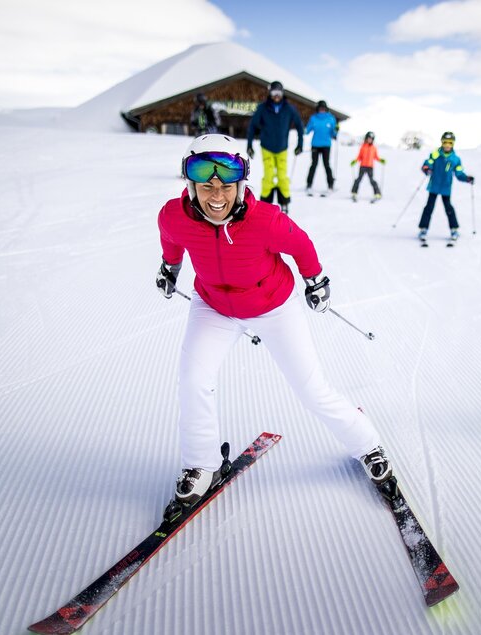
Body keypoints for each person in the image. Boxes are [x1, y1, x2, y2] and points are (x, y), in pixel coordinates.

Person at [156, 134, 393, 517]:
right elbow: (171, 240)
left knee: (312, 389)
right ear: (190, 185)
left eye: (226, 186)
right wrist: (171, 268)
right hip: (214, 306)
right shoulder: (173, 214)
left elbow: (301, 244)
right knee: (193, 379)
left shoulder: (264, 220)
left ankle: (368, 445)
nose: (217, 196)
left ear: (241, 184)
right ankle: (202, 465)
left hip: (274, 306)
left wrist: (315, 280)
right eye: (206, 185)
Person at [246, 81, 304, 214]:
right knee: (269, 176)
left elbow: (300, 126)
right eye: (274, 93)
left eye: (279, 93)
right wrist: (249, 145)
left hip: (282, 148)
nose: (276, 96)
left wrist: (300, 144)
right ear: (270, 93)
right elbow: (252, 126)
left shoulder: (289, 108)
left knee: (282, 176)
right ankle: (265, 204)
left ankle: (284, 203)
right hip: (267, 147)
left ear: (282, 93)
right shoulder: (263, 108)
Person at [418, 132, 474, 242]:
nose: (447, 145)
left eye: (450, 143)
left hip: (445, 187)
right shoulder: (436, 154)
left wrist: (467, 178)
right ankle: (423, 229)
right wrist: (426, 168)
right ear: (442, 143)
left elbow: (459, 173)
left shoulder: (455, 159)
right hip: (434, 186)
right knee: (429, 207)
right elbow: (428, 162)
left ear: (453, 144)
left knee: (449, 208)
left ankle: (454, 229)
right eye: (445, 142)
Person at [304, 100, 338, 196]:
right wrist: (303, 129)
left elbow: (333, 133)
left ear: (326, 109)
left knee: (326, 164)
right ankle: (309, 184)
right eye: (320, 108)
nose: (322, 110)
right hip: (315, 144)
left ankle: (330, 185)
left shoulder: (331, 119)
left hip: (326, 145)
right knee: (314, 164)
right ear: (318, 109)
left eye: (323, 108)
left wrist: (336, 131)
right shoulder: (314, 118)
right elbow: (308, 130)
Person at [350, 131, 386, 203]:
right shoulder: (363, 147)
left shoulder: (374, 148)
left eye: (371, 139)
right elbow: (359, 157)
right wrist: (355, 161)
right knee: (358, 179)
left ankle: (377, 193)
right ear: (366, 138)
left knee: (372, 180)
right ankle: (354, 192)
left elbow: (376, 157)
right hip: (362, 166)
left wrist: (381, 160)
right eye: (368, 138)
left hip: (370, 167)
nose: (370, 140)